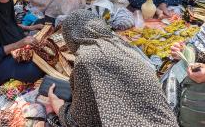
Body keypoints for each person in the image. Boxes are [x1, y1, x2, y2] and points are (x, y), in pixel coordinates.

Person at [46, 9, 178, 127]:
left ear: (70, 37)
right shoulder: (122, 44)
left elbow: (80, 121)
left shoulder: (86, 58)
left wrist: (57, 105)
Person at [0, 0, 44, 85]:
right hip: (1, 60)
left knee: (43, 54)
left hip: (11, 50)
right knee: (34, 70)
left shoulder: (5, 5)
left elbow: (9, 25)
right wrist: (18, 44)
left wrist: (29, 28)